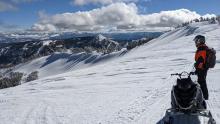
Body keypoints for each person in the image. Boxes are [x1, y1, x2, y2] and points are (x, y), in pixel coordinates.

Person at [194, 35, 209, 100]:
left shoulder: (202, 49)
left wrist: (198, 69)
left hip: (201, 69)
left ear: (199, 41)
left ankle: (204, 97)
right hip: (203, 69)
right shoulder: (202, 48)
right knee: (201, 82)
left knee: (201, 82)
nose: (195, 43)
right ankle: (203, 97)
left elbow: (201, 60)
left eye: (196, 41)